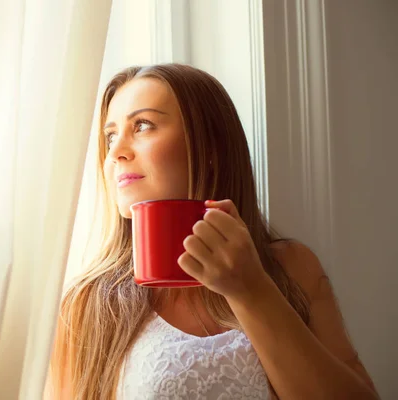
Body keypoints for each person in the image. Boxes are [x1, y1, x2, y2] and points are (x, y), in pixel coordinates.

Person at [46, 64, 378, 399]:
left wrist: (251, 290)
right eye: (111, 135)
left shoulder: (291, 267)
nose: (116, 152)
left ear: (210, 150)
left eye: (142, 125)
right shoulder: (88, 304)